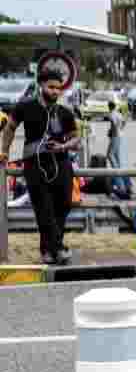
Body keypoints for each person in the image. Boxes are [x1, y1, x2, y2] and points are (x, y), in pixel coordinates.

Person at [0, 69, 81, 265]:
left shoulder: (64, 112)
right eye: (51, 87)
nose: (55, 91)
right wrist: (4, 152)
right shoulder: (25, 106)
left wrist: (63, 146)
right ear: (41, 86)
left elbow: (76, 139)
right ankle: (56, 250)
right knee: (43, 208)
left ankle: (51, 248)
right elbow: (10, 127)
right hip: (34, 164)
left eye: (58, 88)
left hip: (61, 163)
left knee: (63, 204)